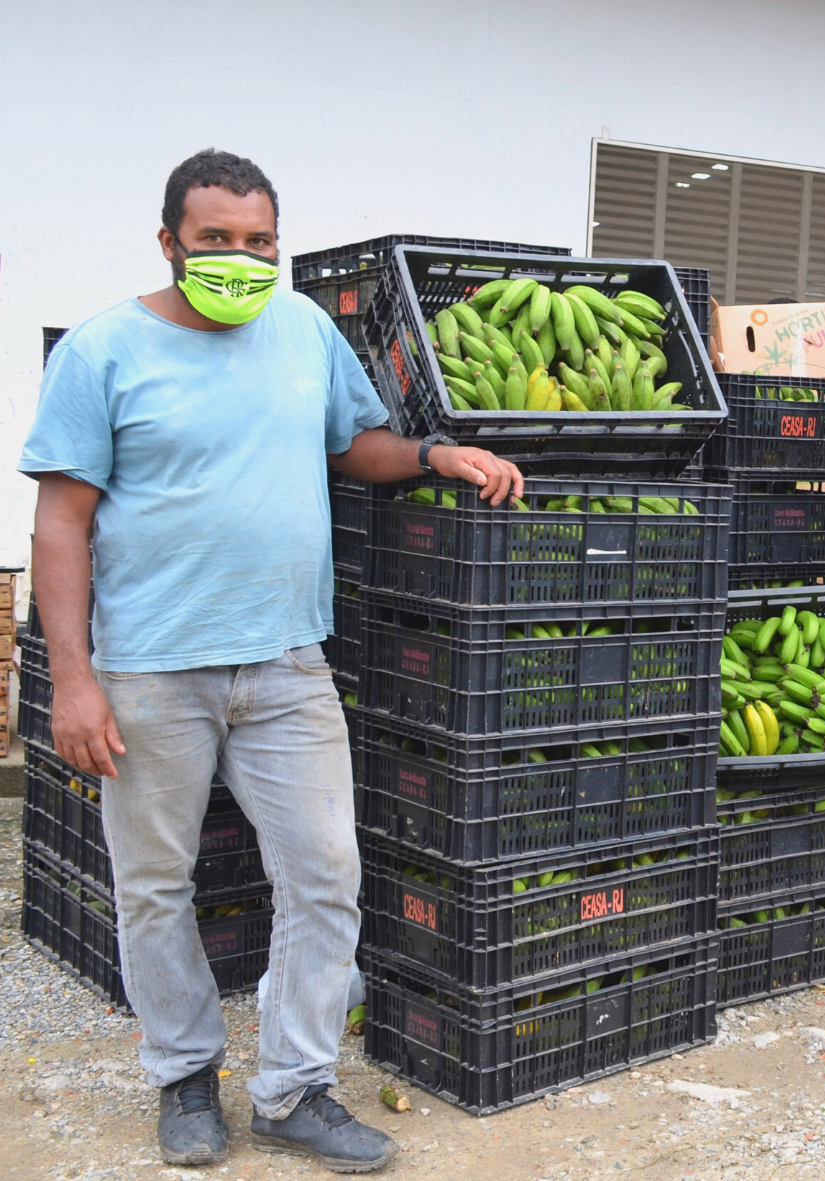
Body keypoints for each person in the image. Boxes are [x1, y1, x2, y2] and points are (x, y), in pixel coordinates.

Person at [21, 149, 524, 1172]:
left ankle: (295, 1086)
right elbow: (59, 524)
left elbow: (356, 445)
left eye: (259, 241)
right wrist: (72, 677)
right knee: (157, 881)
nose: (241, 258)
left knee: (325, 872)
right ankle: (184, 1074)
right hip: (152, 668)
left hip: (288, 658)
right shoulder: (103, 351)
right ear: (170, 241)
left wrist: (434, 454)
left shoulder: (303, 329)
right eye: (217, 240)